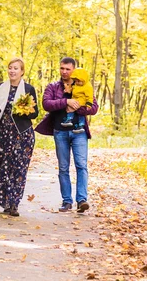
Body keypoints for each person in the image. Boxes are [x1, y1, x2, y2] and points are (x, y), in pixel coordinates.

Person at [35, 57, 99, 213]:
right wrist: (66, 102)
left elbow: (94, 107)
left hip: (80, 132)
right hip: (60, 132)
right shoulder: (53, 87)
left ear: (74, 70)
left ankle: (82, 200)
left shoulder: (84, 85)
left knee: (81, 166)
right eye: (62, 68)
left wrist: (78, 108)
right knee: (63, 167)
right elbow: (46, 104)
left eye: (67, 69)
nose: (64, 72)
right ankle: (67, 201)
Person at [0, 58, 39, 216]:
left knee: (18, 169)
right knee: (3, 168)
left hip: (22, 135)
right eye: (10, 68)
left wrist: (25, 109)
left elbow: (35, 113)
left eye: (16, 68)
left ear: (22, 72)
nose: (12, 71)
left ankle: (14, 203)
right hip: (3, 133)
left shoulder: (28, 89)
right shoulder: (0, 87)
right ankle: (5, 201)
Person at [60, 67, 94, 133]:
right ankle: (72, 121)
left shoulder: (87, 86)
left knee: (75, 111)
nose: (77, 82)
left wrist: (89, 104)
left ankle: (77, 123)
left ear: (83, 79)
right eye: (75, 81)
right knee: (73, 110)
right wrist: (68, 90)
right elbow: (73, 90)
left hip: (82, 101)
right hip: (75, 99)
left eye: (79, 81)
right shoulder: (76, 85)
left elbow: (90, 97)